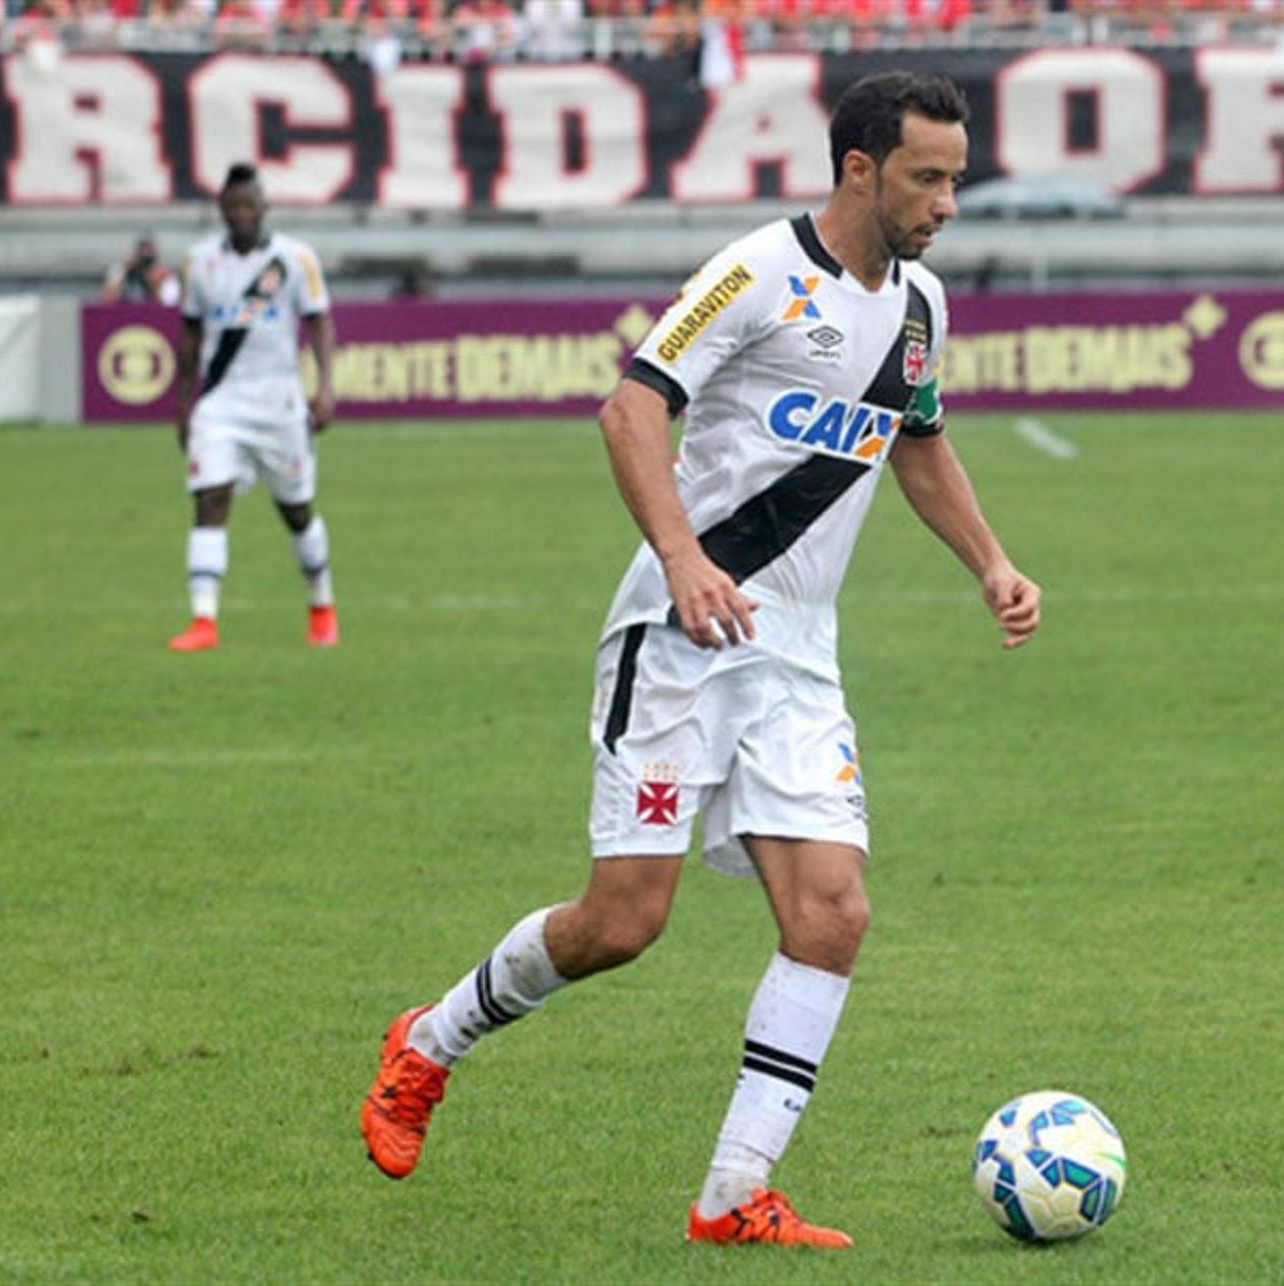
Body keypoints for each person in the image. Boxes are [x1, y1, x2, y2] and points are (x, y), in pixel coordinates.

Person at [359, 71, 1042, 1248]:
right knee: (624, 922)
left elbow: (916, 446)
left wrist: (989, 560)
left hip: (796, 659)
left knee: (832, 913)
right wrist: (680, 557)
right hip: (678, 640)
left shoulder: (920, 306)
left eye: (957, 179)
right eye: (928, 177)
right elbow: (630, 408)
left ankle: (733, 1192)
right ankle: (431, 1040)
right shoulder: (755, 273)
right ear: (859, 170)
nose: (946, 203)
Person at [169, 163, 339, 653]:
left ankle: (321, 606)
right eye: (234, 205)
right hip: (220, 403)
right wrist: (184, 404)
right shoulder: (199, 264)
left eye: (249, 205)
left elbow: (320, 325)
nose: (242, 213)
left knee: (297, 511)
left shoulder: (294, 260)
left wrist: (325, 387)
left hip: (279, 402)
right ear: (222, 209)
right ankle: (204, 620)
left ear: (264, 209)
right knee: (209, 498)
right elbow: (190, 335)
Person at [103, 232, 181, 305]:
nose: (145, 252)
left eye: (149, 248)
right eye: (142, 247)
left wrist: (148, 277)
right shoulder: (121, 269)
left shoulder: (165, 275)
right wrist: (125, 272)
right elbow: (107, 300)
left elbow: (165, 305)